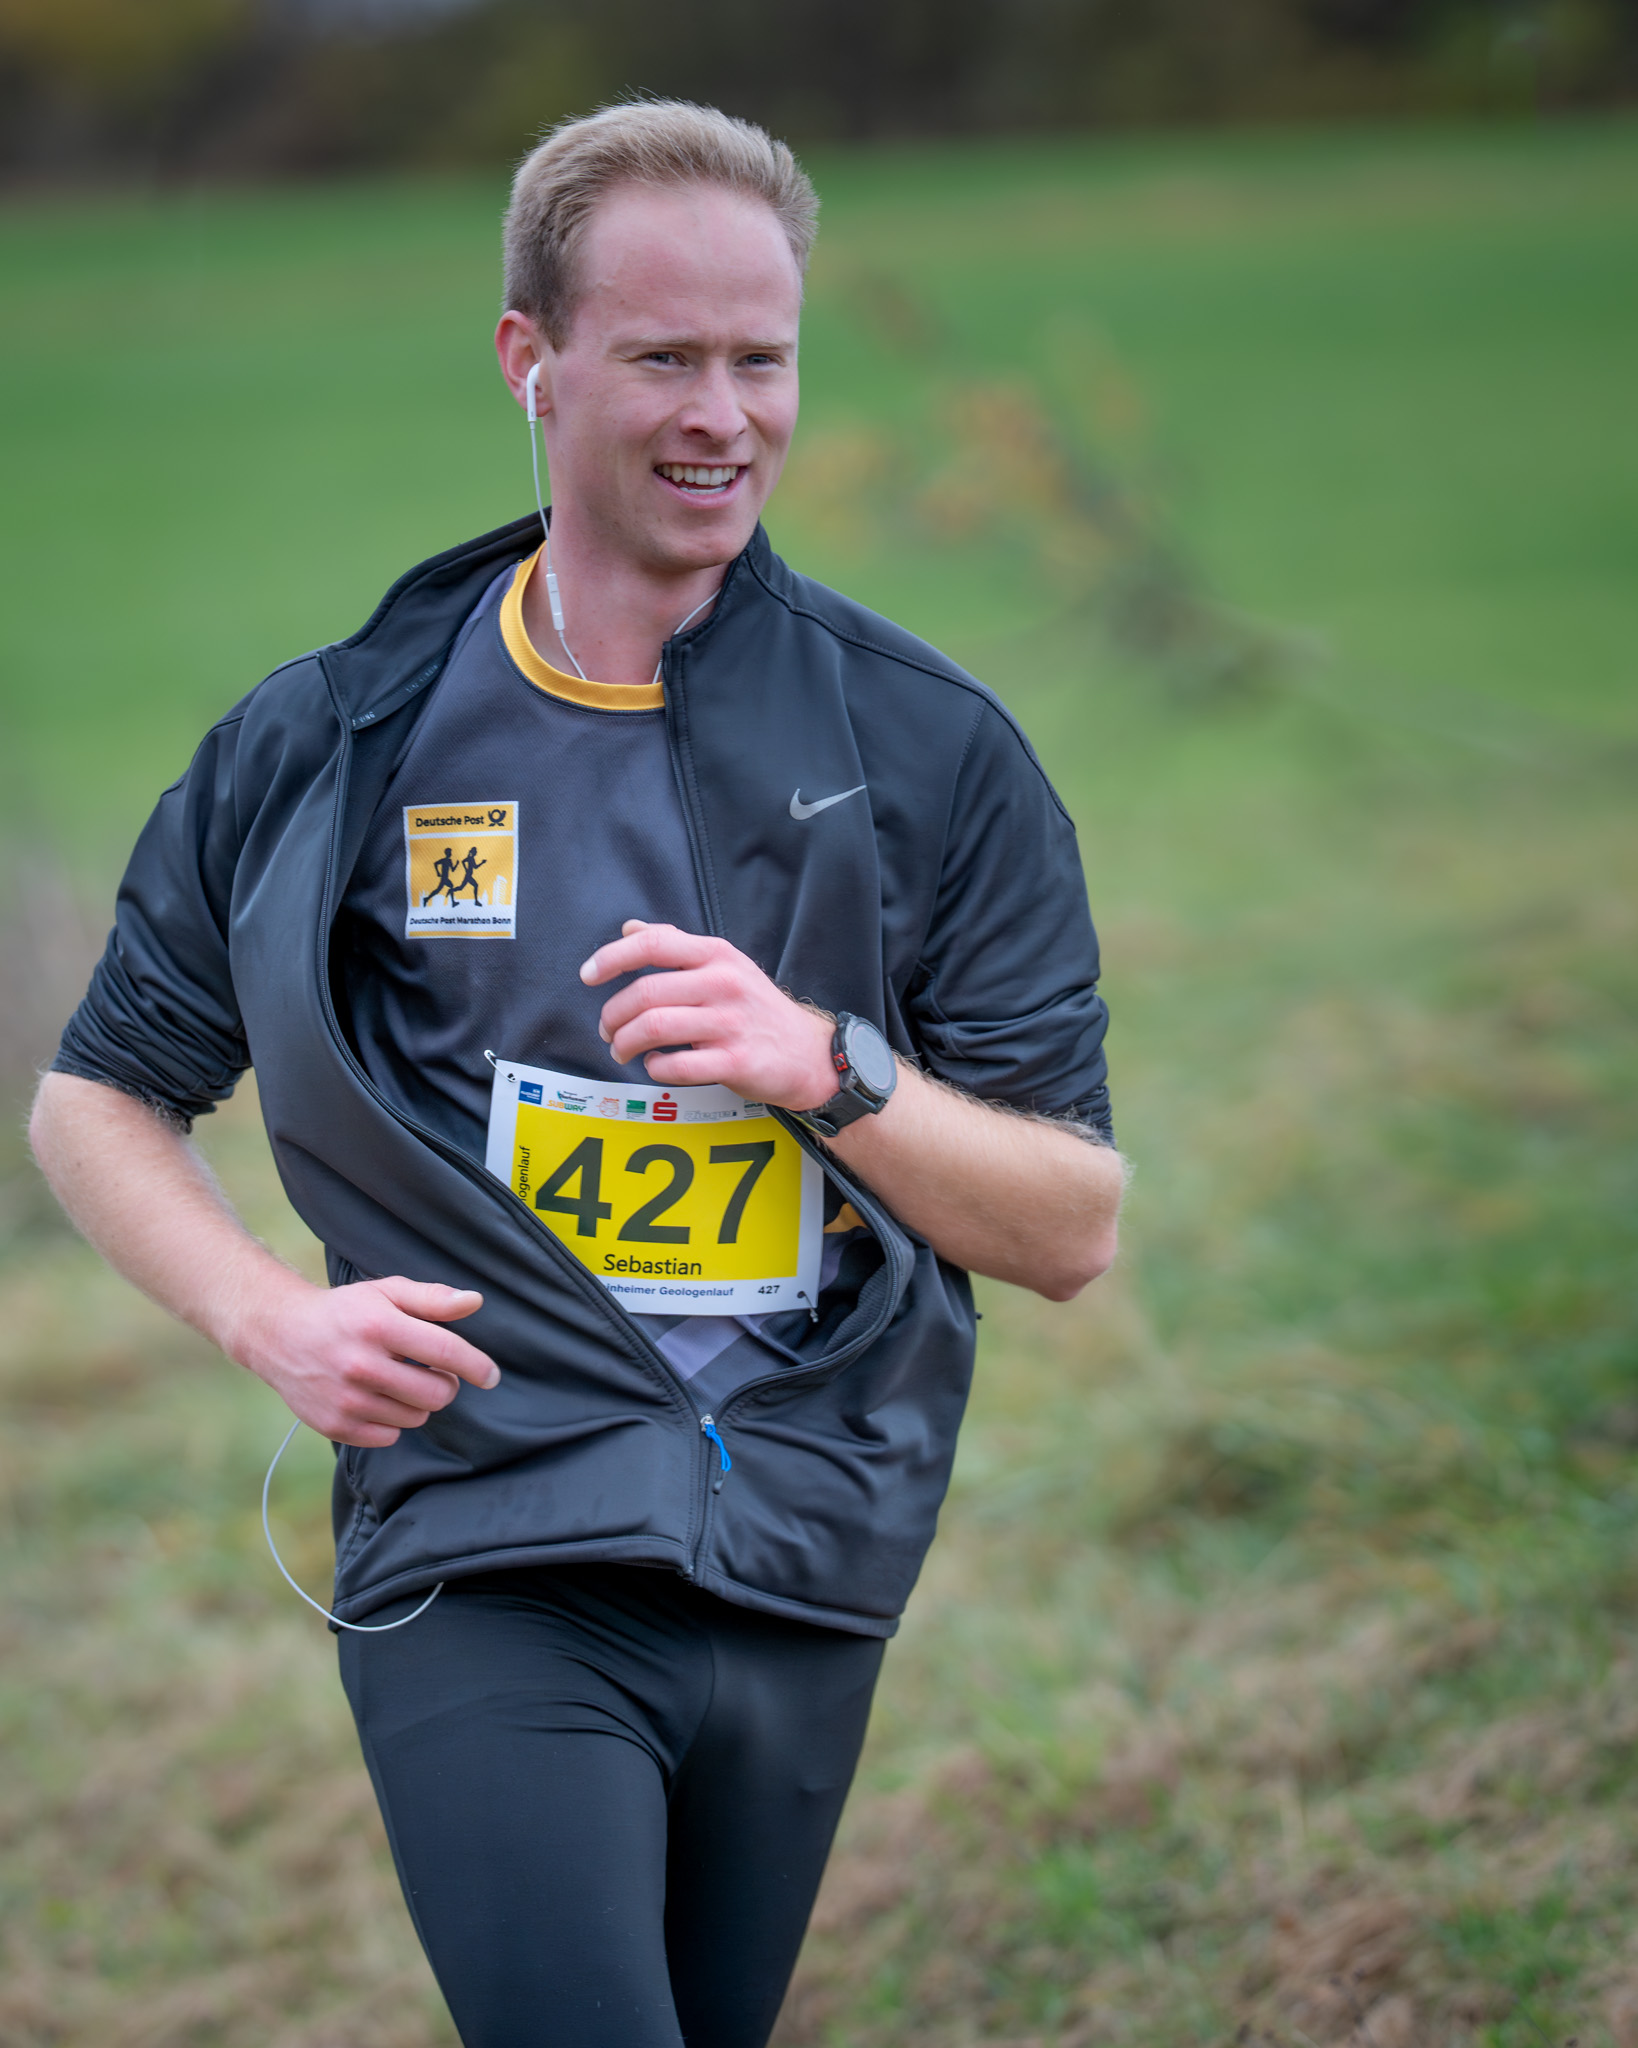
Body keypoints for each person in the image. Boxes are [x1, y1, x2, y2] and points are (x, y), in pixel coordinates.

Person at [30, 100, 1124, 2048]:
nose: (724, 416)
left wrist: (828, 1067)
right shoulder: (340, 737)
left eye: (762, 359)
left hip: (808, 1550)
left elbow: (1070, 1226)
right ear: (530, 360)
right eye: (664, 357)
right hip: (488, 1530)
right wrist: (270, 1319)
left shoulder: (932, 750)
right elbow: (96, 1094)